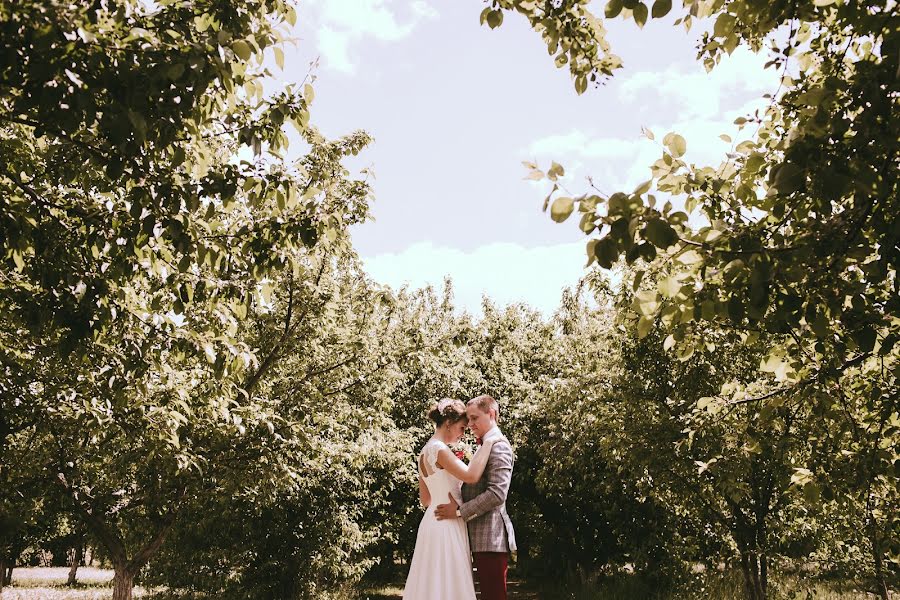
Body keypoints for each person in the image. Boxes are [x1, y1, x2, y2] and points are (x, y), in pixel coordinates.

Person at [402, 398, 497, 600]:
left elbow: (425, 499)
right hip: (447, 522)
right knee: (449, 582)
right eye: (462, 428)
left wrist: (449, 493)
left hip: (431, 522)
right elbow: (471, 476)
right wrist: (488, 443)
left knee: (432, 582)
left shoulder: (424, 452)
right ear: (448, 423)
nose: (463, 434)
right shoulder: (440, 450)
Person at [435, 394, 516, 600]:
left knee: (494, 596)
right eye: (468, 419)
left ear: (491, 414)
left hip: (491, 536)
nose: (469, 424)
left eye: (474, 418)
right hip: (478, 536)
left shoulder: (499, 446)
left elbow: (497, 494)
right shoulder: (485, 444)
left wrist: (461, 511)